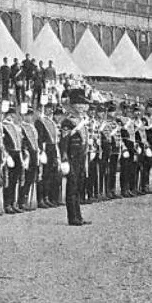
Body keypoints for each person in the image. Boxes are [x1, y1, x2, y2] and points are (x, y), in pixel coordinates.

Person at [58, 89, 90, 226]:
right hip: (72, 157)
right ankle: (72, 217)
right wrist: (64, 158)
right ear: (72, 105)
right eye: (79, 103)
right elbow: (64, 142)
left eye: (84, 104)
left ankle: (78, 215)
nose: (82, 107)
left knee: (78, 187)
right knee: (71, 187)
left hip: (81, 156)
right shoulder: (68, 122)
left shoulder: (81, 121)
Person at [36, 105, 62, 207]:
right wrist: (41, 151)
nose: (50, 110)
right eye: (48, 108)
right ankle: (41, 199)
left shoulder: (52, 122)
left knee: (52, 174)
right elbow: (40, 138)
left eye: (51, 108)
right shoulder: (40, 121)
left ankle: (49, 197)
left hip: (53, 149)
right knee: (43, 174)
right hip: (45, 148)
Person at [1, 101, 24, 214]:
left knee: (15, 180)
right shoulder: (3, 125)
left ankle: (12, 202)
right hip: (9, 153)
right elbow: (2, 142)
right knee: (8, 180)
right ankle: (7, 204)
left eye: (13, 114)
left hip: (17, 153)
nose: (12, 116)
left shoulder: (15, 127)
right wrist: (6, 154)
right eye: (10, 114)